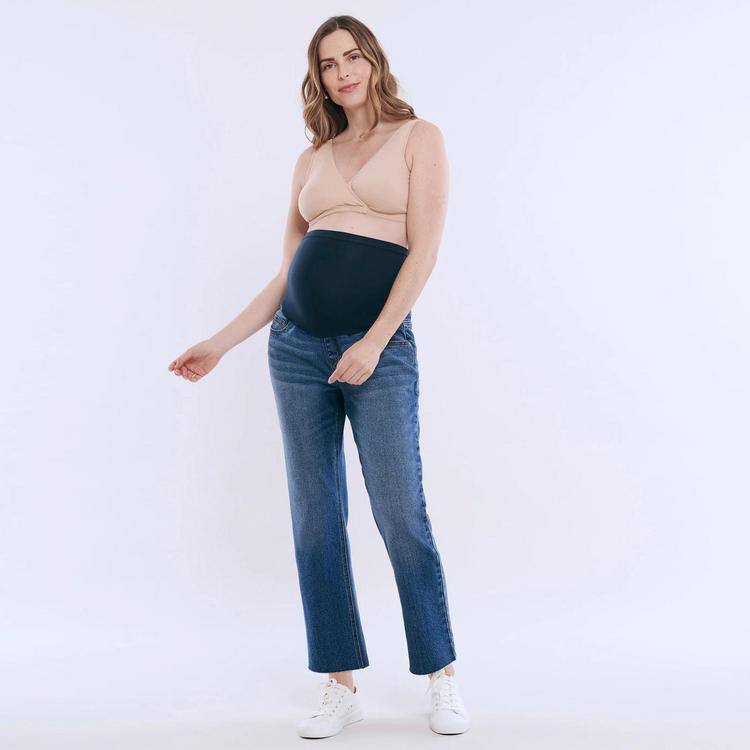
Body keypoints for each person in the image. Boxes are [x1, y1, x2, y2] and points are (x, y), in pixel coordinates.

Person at [167, 14, 470, 739]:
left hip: (378, 350)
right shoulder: (311, 160)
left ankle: (441, 676)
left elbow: (424, 252)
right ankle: (339, 685)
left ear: (374, 61)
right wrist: (219, 343)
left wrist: (374, 341)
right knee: (315, 520)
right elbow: (286, 275)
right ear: (320, 79)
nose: (343, 72)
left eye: (352, 57)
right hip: (296, 350)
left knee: (401, 512)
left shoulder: (419, 138)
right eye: (329, 64)